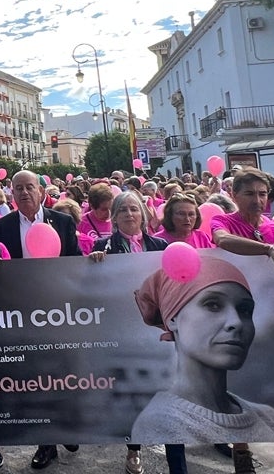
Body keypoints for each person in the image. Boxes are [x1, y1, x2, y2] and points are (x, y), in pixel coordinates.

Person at [132, 257, 274, 445]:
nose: (236, 322)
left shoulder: (272, 418)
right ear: (173, 318)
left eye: (245, 310)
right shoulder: (161, 424)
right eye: (213, 305)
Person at [208, 168, 274, 474]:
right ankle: (242, 455)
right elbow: (222, 240)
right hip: (239, 326)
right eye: (249, 193)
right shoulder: (223, 221)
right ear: (234, 196)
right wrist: (267, 250)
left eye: (262, 193)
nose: (258, 200)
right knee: (239, 394)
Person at [88, 191, 187, 474]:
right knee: (134, 396)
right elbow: (94, 288)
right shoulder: (102, 246)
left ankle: (178, 467)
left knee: (170, 398)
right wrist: (95, 263)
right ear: (115, 217)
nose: (129, 215)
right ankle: (134, 449)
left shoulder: (160, 245)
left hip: (160, 335)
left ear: (143, 215)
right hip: (125, 335)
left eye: (134, 209)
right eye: (123, 210)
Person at [0, 170, 81, 471]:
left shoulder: (63, 222)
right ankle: (47, 443)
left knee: (65, 376)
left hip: (60, 312)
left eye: (30, 187)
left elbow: (75, 262)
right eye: (18, 189)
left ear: (42, 192)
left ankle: (66, 426)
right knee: (38, 379)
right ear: (11, 194)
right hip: (22, 314)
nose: (24, 193)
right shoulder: (2, 227)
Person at [77, 183, 114, 255]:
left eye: (111, 207)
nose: (109, 212)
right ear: (92, 206)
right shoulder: (81, 223)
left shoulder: (117, 220)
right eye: (104, 209)